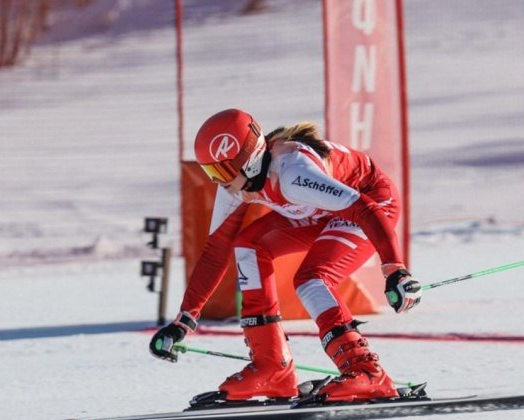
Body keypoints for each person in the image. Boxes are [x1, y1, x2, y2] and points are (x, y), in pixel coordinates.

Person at [149, 108, 422, 402]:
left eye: (223, 172)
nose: (219, 182)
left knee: (311, 279)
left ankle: (367, 372)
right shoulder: (236, 185)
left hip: (371, 203)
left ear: (250, 161)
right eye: (211, 173)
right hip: (319, 210)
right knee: (248, 246)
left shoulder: (293, 174)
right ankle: (272, 368)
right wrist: (183, 320)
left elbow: (363, 208)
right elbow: (215, 251)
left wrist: (395, 269)